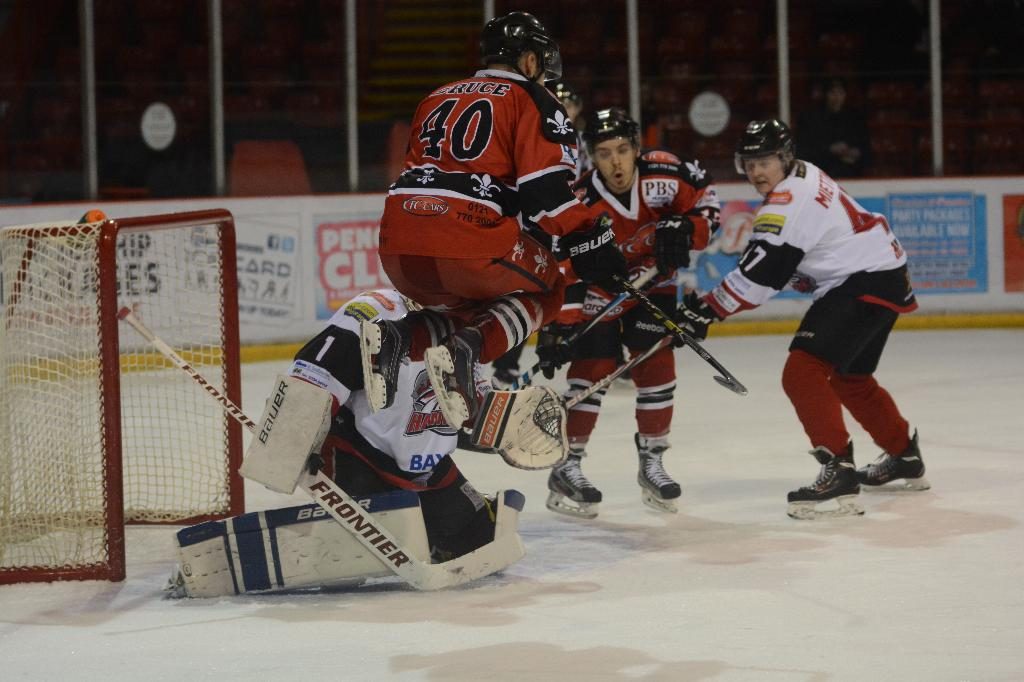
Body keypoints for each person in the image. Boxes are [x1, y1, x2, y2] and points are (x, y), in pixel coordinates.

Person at [363, 12, 628, 431]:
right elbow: (547, 194)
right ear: (527, 61)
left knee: (475, 303)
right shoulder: (533, 99)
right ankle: (469, 351)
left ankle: (398, 339)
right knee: (552, 287)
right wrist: (590, 237)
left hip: (397, 245)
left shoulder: (436, 95)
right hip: (466, 240)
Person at [171, 289, 532, 597]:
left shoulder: (479, 323)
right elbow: (316, 370)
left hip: (428, 469)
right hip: (360, 454)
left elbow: (461, 412)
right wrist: (292, 443)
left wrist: (506, 430)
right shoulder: (377, 309)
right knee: (348, 563)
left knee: (480, 541)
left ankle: (429, 524)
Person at [675, 119, 928, 520]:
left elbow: (760, 277)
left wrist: (707, 308)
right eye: (749, 163)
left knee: (802, 372)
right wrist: (714, 307)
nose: (757, 172)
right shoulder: (803, 173)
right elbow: (781, 266)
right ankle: (904, 455)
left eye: (766, 162)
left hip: (862, 280)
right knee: (851, 378)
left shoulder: (785, 202)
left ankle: (839, 469)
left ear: (785, 158)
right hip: (885, 273)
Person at [538, 107, 721, 518]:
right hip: (599, 294)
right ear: (591, 157)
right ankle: (568, 464)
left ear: (637, 148)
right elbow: (563, 267)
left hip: (654, 286)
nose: (616, 162)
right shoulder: (580, 199)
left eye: (623, 150)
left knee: (655, 367)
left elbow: (708, 206)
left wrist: (686, 230)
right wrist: (558, 328)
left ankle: (653, 459)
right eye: (604, 153)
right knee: (591, 371)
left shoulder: (667, 174)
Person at [490, 79, 590, 389]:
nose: (564, 109)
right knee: (525, 292)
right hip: (537, 225)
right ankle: (506, 364)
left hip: (568, 221)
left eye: (569, 104)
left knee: (579, 284)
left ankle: (597, 352)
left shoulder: (583, 143)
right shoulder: (533, 135)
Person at [796, 77, 871, 178]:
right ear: (825, 95)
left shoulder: (854, 118)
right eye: (833, 93)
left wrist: (856, 152)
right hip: (821, 171)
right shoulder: (811, 118)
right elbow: (804, 150)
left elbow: (865, 146)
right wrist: (829, 150)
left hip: (850, 170)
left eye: (840, 93)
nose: (837, 97)